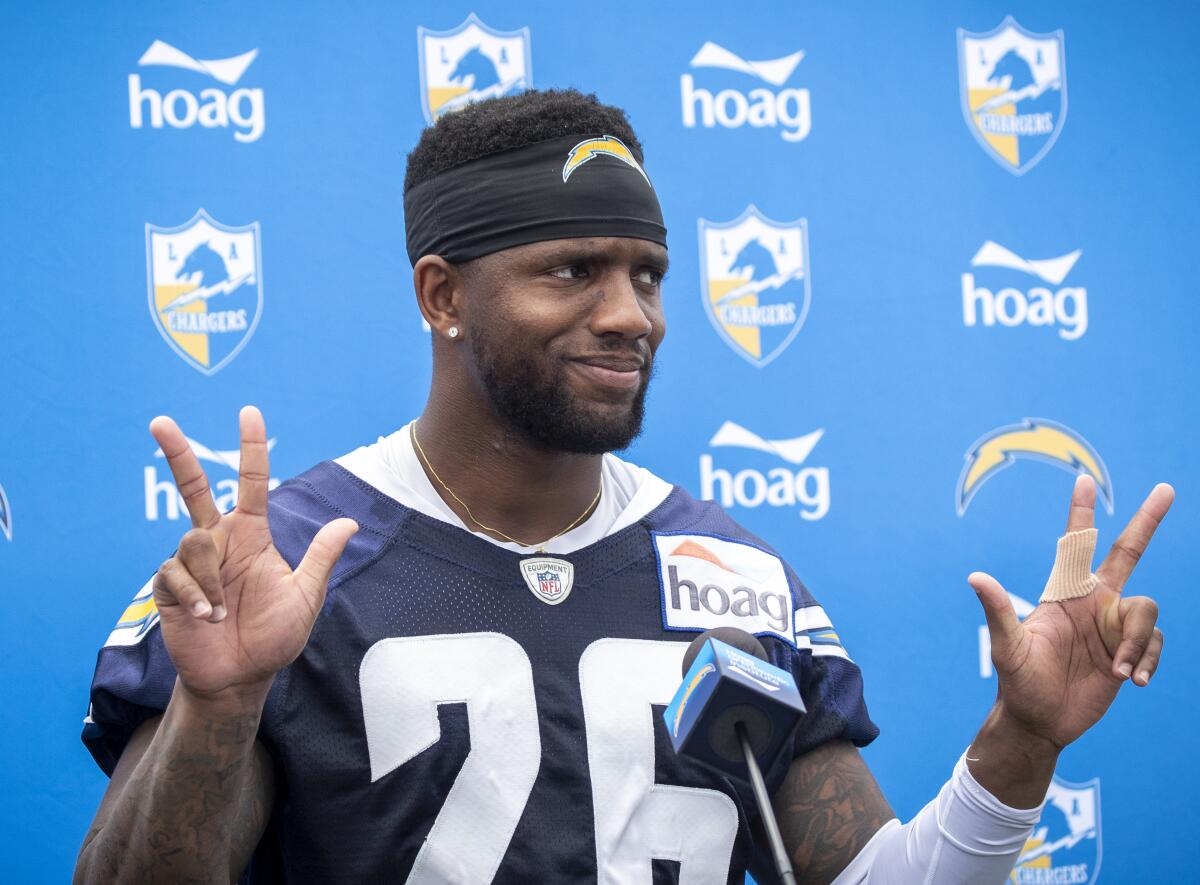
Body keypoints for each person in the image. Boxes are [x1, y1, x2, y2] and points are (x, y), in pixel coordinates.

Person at [75, 89, 1169, 885]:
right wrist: (218, 704)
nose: (630, 314)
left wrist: (1022, 743)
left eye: (646, 275)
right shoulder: (297, 563)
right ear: (443, 293)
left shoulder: (735, 578)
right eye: (571, 271)